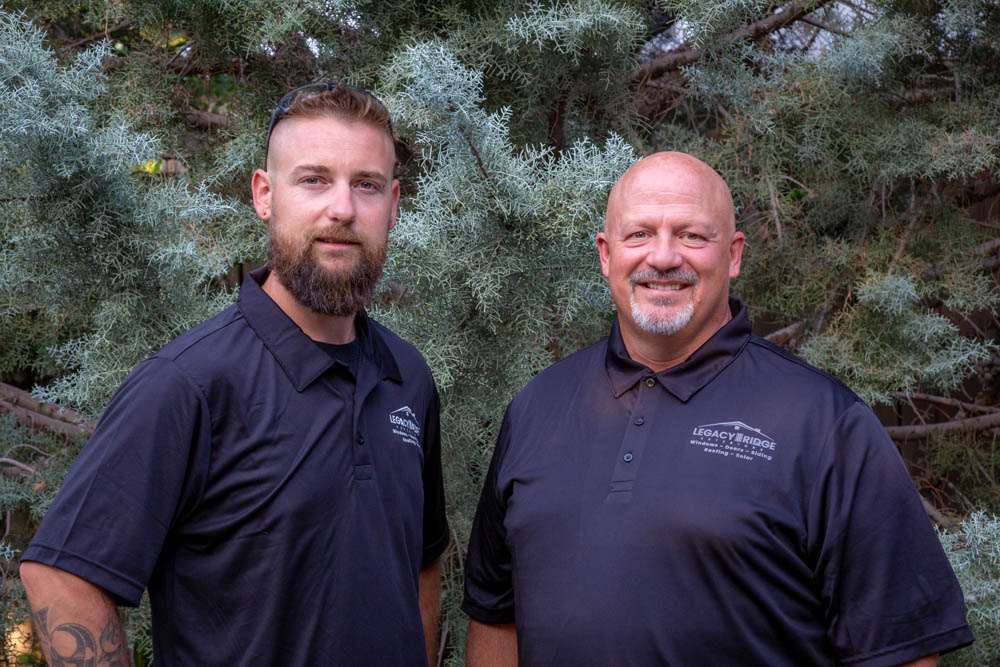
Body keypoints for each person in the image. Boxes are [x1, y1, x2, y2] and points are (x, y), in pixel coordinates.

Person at [462, 152, 973, 666]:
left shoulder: (824, 424)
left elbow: (902, 652)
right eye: (639, 234)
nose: (662, 257)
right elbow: (494, 615)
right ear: (605, 253)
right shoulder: (536, 408)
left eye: (691, 236)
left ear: (733, 254)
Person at [20, 83, 449, 666]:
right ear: (264, 195)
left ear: (394, 204)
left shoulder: (408, 379)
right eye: (314, 179)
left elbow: (422, 560)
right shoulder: (189, 383)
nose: (343, 208)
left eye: (366, 184)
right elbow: (61, 575)